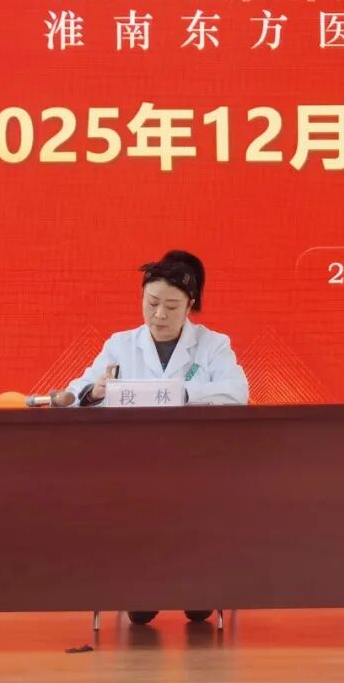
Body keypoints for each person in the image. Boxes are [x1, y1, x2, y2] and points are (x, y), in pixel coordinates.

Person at [67, 249, 249, 624]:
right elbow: (76, 393)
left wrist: (177, 392)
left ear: (190, 305)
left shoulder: (213, 345)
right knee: (140, 607)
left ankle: (197, 585)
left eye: (171, 306)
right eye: (151, 303)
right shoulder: (120, 345)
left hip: (197, 468)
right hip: (135, 468)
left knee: (198, 605)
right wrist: (97, 391)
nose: (159, 315)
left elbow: (237, 392)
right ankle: (143, 586)